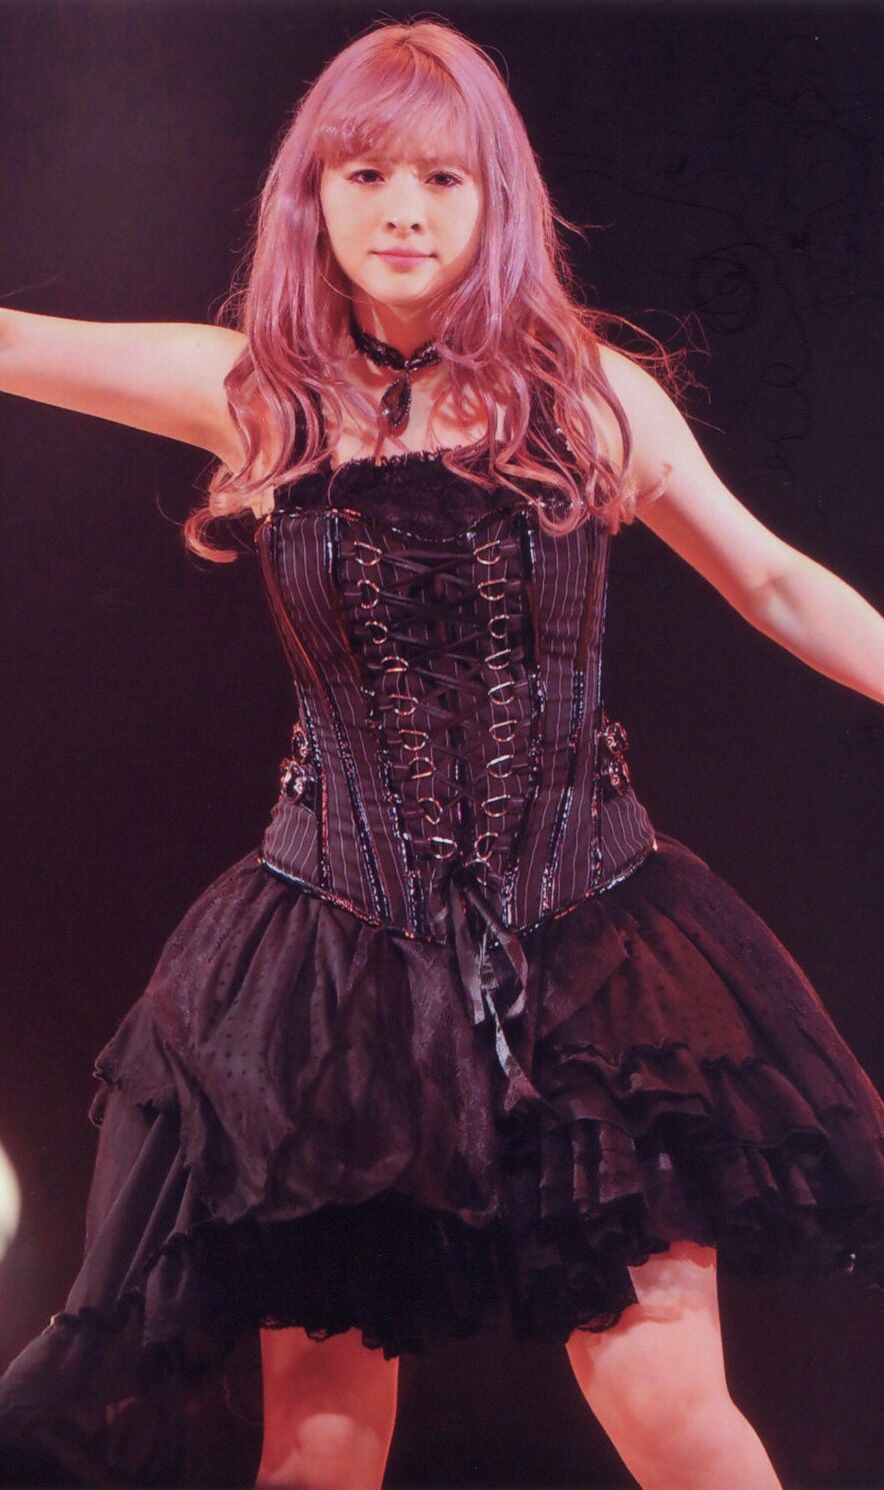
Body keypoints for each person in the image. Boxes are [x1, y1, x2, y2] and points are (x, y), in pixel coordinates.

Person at [0, 16, 882, 1490]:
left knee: (674, 1415)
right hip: (332, 972)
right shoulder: (259, 392)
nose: (402, 209)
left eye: (442, 179)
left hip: (596, 955)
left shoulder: (587, 395)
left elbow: (778, 582)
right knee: (319, 1448)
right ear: (314, 197)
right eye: (365, 174)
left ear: (497, 200)